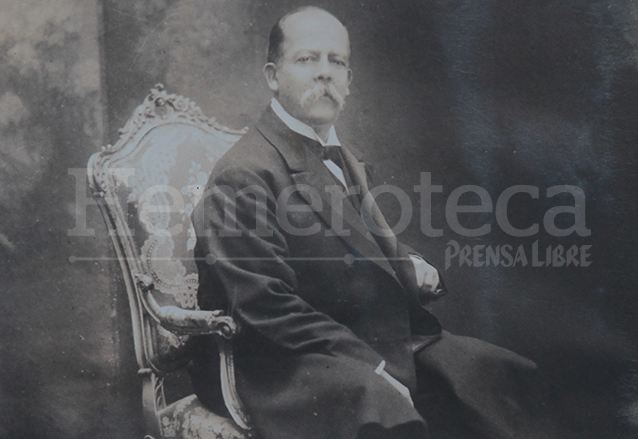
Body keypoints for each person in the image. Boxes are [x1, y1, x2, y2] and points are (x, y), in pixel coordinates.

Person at [190, 6, 539, 439]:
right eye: (306, 59)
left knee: (495, 375)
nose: (325, 73)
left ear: (349, 81)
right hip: (279, 360)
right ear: (273, 76)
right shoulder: (242, 173)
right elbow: (265, 306)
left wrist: (410, 264)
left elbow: (355, 244)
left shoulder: (348, 158)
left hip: (359, 337)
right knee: (386, 413)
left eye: (336, 62)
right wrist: (372, 365)